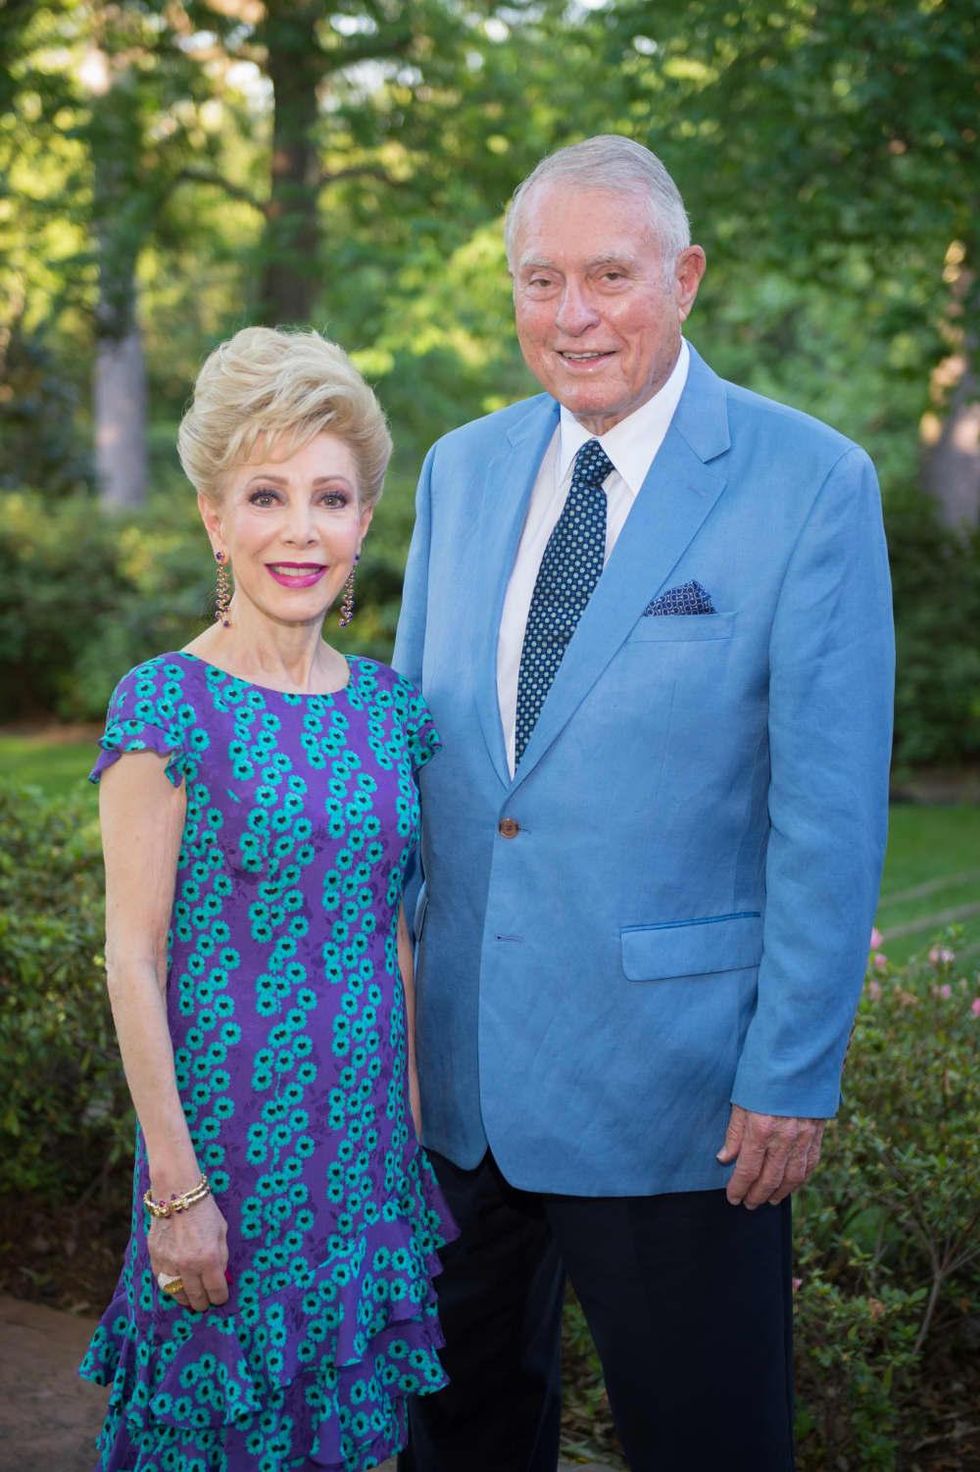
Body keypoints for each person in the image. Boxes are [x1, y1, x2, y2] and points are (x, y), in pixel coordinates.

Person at [393, 135, 894, 1470]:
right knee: (457, 1438)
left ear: (684, 277)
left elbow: (829, 817)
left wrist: (791, 1072)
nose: (571, 315)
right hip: (457, 1091)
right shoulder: (460, 469)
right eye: (538, 278)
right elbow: (419, 764)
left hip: (680, 1099)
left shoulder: (809, 485)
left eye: (608, 275)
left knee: (706, 1442)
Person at [79, 326, 456, 1472]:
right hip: (224, 1160)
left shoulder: (391, 709)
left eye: (330, 497)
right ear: (214, 518)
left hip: (362, 1162)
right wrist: (176, 1191)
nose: (301, 528)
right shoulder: (165, 706)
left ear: (362, 524)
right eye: (267, 494)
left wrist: (413, 1136)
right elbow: (131, 957)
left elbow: (392, 935)